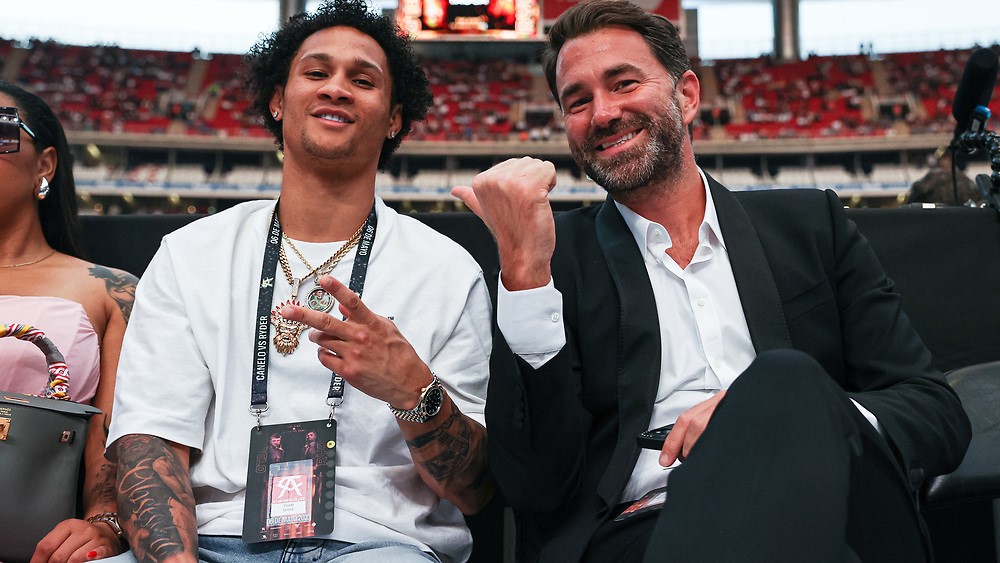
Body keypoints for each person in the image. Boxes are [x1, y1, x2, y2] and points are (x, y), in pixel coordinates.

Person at [452, 1, 971, 560]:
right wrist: (526, 279)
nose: (603, 113)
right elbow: (533, 487)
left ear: (687, 95)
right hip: (645, 531)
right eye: (578, 101)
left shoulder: (810, 227)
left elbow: (936, 412)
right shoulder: (550, 262)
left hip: (834, 505)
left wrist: (782, 413)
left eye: (624, 84)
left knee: (785, 379)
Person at [105, 1, 493, 561]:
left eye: (363, 80)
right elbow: (149, 442)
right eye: (316, 72)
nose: (336, 88)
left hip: (375, 545)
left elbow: (475, 491)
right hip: (212, 542)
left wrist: (414, 392)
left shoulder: (447, 271)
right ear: (278, 101)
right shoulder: (190, 254)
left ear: (394, 119)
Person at [0, 80, 136, 560]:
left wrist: (104, 523)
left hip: (35, 542)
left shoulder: (111, 292)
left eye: (1, 131)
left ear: (45, 164)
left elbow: (114, 433)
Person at [904, 147, 982, 206]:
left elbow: (975, 194)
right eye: (943, 159)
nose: (944, 162)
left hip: (959, 210)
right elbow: (918, 190)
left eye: (947, 159)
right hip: (939, 211)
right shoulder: (933, 175)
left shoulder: (960, 176)